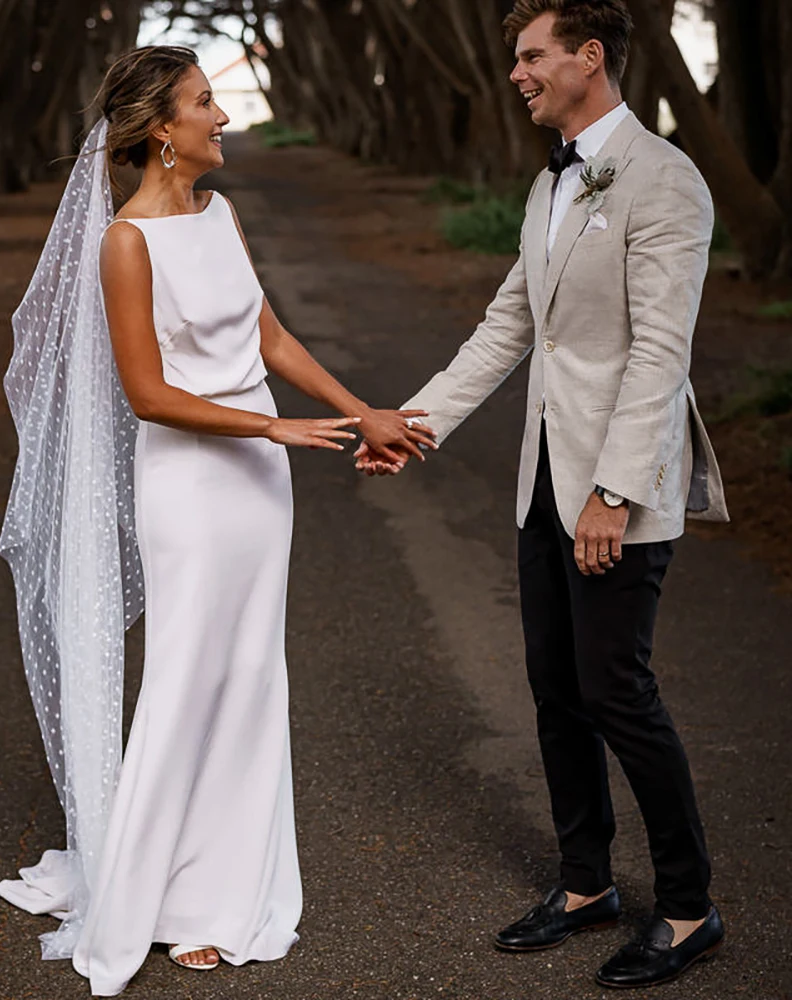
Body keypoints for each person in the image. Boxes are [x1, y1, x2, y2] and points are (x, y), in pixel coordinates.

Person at [0, 45, 436, 996]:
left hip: (258, 487)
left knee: (247, 675)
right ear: (162, 129)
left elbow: (267, 335)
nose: (222, 116)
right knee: (188, 680)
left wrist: (363, 412)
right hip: (192, 487)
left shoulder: (220, 213)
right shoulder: (125, 243)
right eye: (205, 102)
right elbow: (148, 395)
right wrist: (270, 421)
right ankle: (156, 900)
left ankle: (224, 886)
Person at [357, 0, 727, 989]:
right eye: (516, 57)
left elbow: (659, 352)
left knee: (618, 689)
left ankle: (687, 907)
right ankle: (583, 885)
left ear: (588, 57)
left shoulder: (666, 180)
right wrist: (415, 421)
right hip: (540, 479)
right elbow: (506, 329)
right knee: (556, 688)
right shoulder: (552, 180)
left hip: (616, 485)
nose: (516, 73)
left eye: (531, 55)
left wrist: (610, 491)